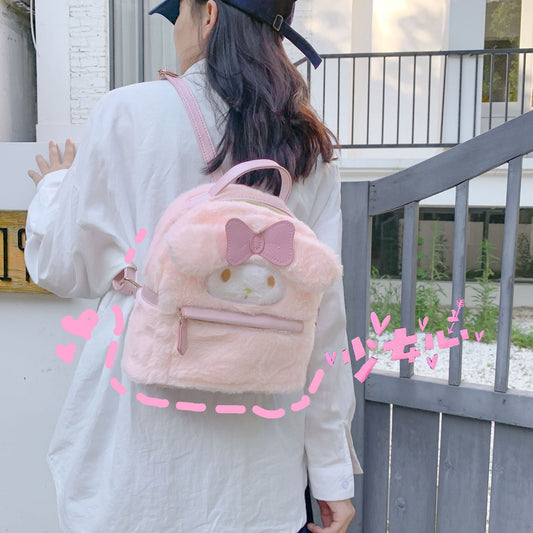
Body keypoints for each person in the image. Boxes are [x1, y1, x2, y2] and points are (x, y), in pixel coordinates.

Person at [25, 0, 363, 532]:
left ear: (208, 15)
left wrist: (55, 187)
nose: (175, 32)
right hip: (257, 482)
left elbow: (60, 265)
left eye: (178, 15)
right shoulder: (307, 149)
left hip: (134, 462)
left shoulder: (127, 113)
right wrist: (331, 475)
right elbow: (324, 324)